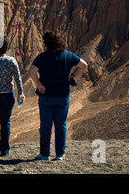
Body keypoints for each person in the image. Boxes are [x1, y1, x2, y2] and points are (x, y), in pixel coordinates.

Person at [28, 29, 88, 161]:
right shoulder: (68, 55)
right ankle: (60, 154)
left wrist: (39, 84)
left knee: (45, 126)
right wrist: (73, 76)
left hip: (46, 97)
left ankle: (44, 154)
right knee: (61, 125)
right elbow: (83, 65)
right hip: (62, 96)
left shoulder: (42, 57)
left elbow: (32, 71)